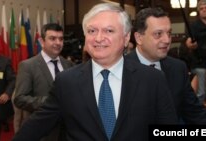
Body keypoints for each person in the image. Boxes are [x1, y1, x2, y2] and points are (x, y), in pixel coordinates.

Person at [12, 3, 177, 141]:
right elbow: (36, 127)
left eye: (109, 31)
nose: (98, 38)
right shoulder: (67, 81)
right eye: (92, 31)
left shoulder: (152, 79)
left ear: (126, 38)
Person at [126, 7, 206, 124]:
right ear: (139, 38)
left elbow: (195, 114)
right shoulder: (120, 69)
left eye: (169, 33)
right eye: (158, 34)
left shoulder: (178, 69)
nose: (167, 40)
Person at [13, 23, 74, 140]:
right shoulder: (28, 66)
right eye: (52, 38)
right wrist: (50, 102)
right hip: (44, 133)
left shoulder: (69, 64)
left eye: (61, 39)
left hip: (68, 131)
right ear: (41, 41)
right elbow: (19, 98)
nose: (58, 43)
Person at [185, 0, 206, 103]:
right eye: (201, 9)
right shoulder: (194, 26)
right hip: (200, 62)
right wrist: (190, 44)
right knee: (201, 93)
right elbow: (188, 41)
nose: (204, 10)